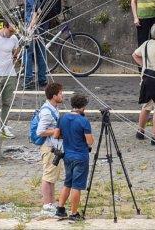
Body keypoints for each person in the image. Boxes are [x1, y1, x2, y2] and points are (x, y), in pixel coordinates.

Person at [54, 93, 94, 222]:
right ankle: (74, 213)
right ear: (83, 107)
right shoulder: (83, 121)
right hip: (80, 156)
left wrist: (69, 136)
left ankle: (60, 209)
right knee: (77, 186)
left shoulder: (63, 118)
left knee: (68, 183)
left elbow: (56, 135)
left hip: (67, 156)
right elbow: (90, 141)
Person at [35, 82, 64, 215]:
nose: (62, 95)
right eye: (60, 93)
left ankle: (51, 203)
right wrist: (56, 131)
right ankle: (47, 206)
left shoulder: (53, 108)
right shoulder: (47, 112)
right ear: (54, 96)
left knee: (52, 177)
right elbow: (40, 131)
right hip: (49, 148)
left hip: (54, 148)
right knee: (48, 176)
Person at [22, 0, 47, 90]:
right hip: (43, 25)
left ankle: (27, 80)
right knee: (41, 52)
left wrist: (31, 27)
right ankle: (42, 79)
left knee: (27, 52)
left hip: (33, 26)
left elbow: (36, 11)